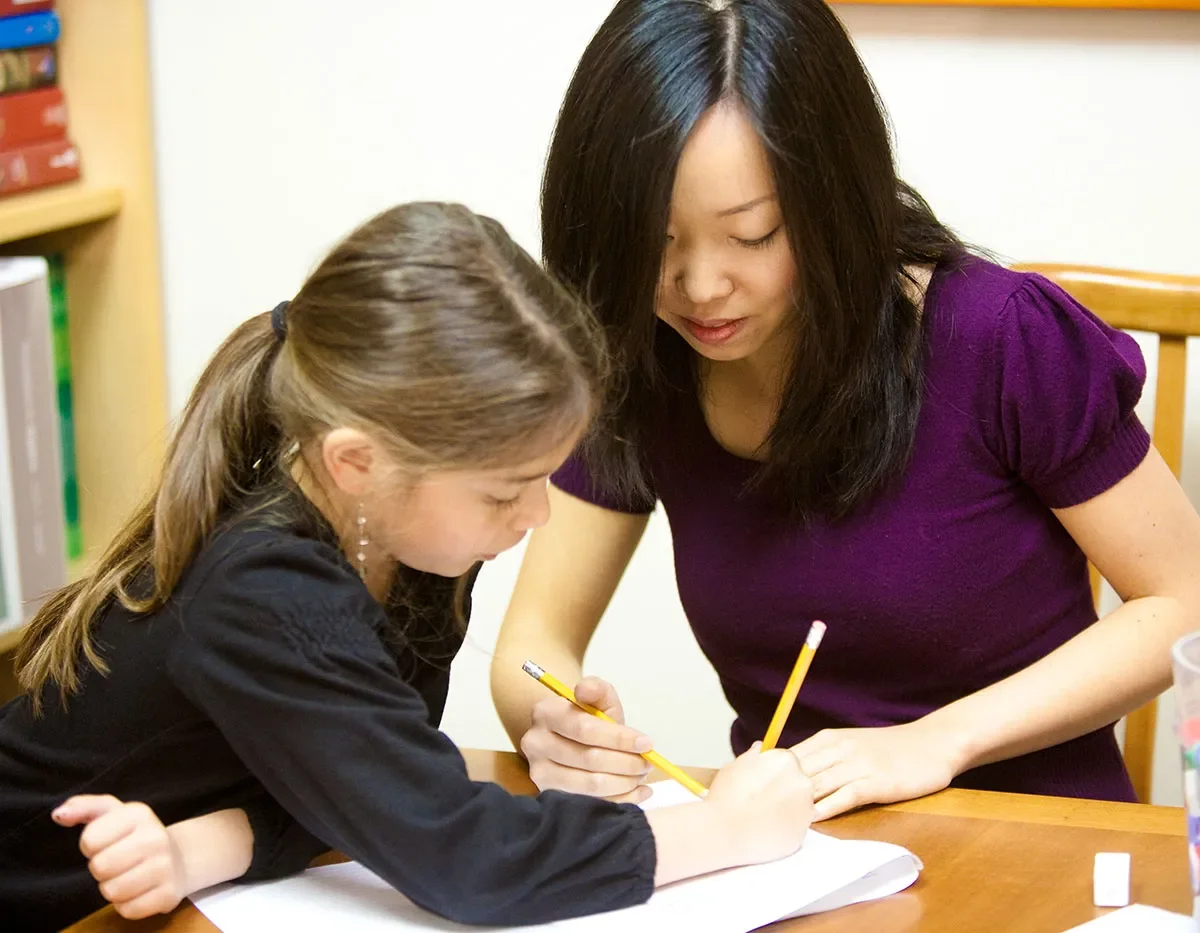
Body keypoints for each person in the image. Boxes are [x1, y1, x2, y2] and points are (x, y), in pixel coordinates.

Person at [0, 202, 813, 931]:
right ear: (357, 462)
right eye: (505, 493)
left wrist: (215, 842)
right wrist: (719, 831)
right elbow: (461, 860)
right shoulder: (263, 588)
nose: (535, 519)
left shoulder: (408, 541)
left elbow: (363, 779)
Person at [491, 0, 1200, 818]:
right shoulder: (644, 355)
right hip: (795, 855)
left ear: (833, 198)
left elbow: (1180, 599)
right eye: (655, 239)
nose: (700, 287)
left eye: (752, 235)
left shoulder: (997, 337)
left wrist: (938, 741)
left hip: (1034, 837)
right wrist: (552, 725)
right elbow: (532, 643)